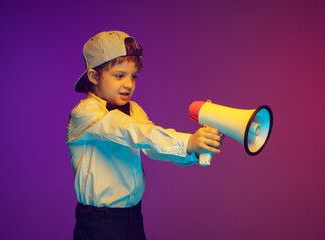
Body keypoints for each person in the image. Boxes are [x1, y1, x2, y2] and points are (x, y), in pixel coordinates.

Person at [66, 31, 223, 240]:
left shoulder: (133, 110)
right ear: (94, 76)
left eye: (133, 76)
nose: (129, 84)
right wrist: (187, 141)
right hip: (99, 223)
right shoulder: (85, 112)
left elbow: (151, 145)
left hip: (133, 217)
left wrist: (194, 149)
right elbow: (131, 132)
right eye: (119, 75)